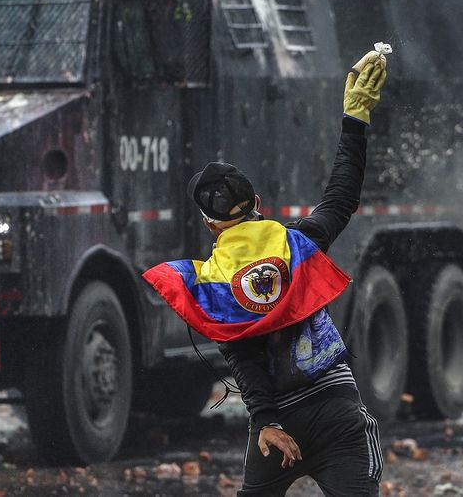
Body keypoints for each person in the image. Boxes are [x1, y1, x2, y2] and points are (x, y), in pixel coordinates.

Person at [143, 50, 388, 496]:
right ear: (257, 203)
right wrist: (355, 118)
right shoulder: (300, 242)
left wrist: (267, 421)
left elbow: (243, 359)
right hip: (337, 411)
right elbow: (342, 194)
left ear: (210, 223)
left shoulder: (214, 285)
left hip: (280, 424)